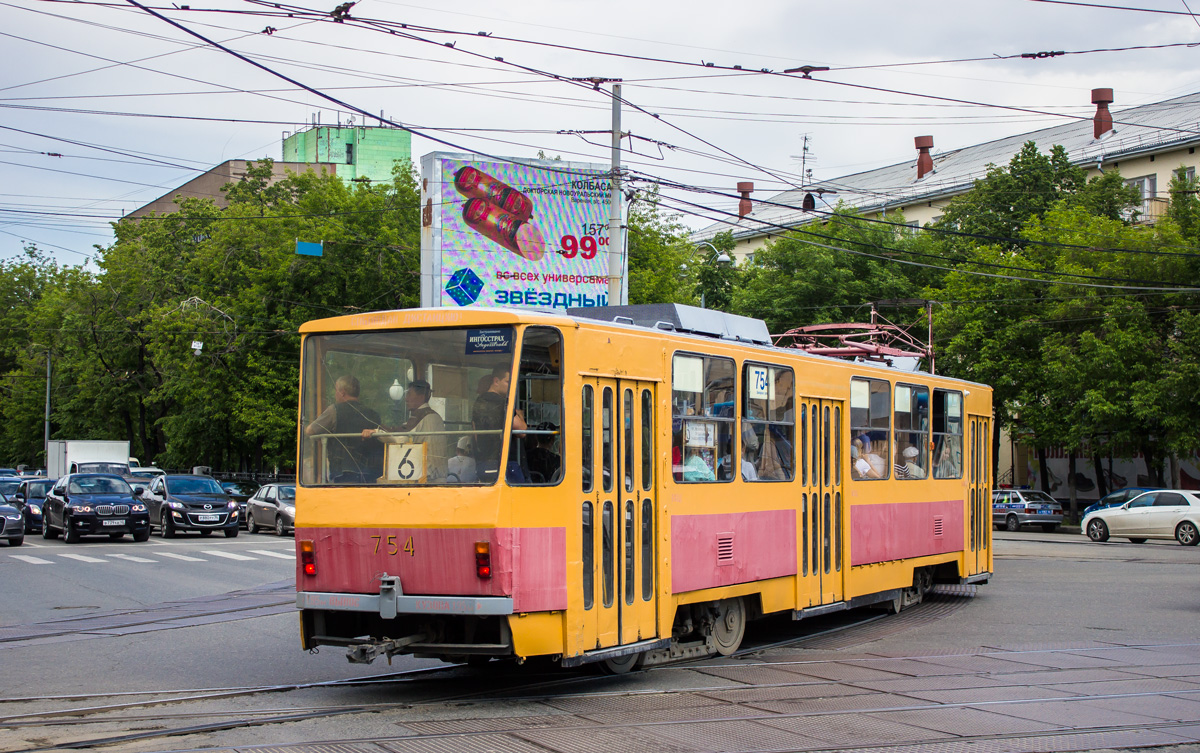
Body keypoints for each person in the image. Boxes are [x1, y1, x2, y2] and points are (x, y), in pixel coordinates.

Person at [363, 380, 449, 482]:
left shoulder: (422, 415)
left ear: (421, 397)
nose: (406, 399)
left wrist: (376, 432)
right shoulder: (433, 416)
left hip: (426, 477)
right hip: (439, 475)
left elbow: (402, 436)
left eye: (409, 394)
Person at [304, 375, 382, 483]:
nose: (335, 394)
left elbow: (310, 431)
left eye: (336, 390)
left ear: (342, 392)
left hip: (342, 474)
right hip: (370, 475)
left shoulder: (334, 410)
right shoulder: (374, 414)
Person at [472, 366, 527, 481]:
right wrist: (519, 413)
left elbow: (475, 431)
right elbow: (522, 430)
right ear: (496, 381)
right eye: (508, 382)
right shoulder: (501, 403)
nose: (511, 386)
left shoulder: (478, 402)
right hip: (506, 462)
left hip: (483, 461)